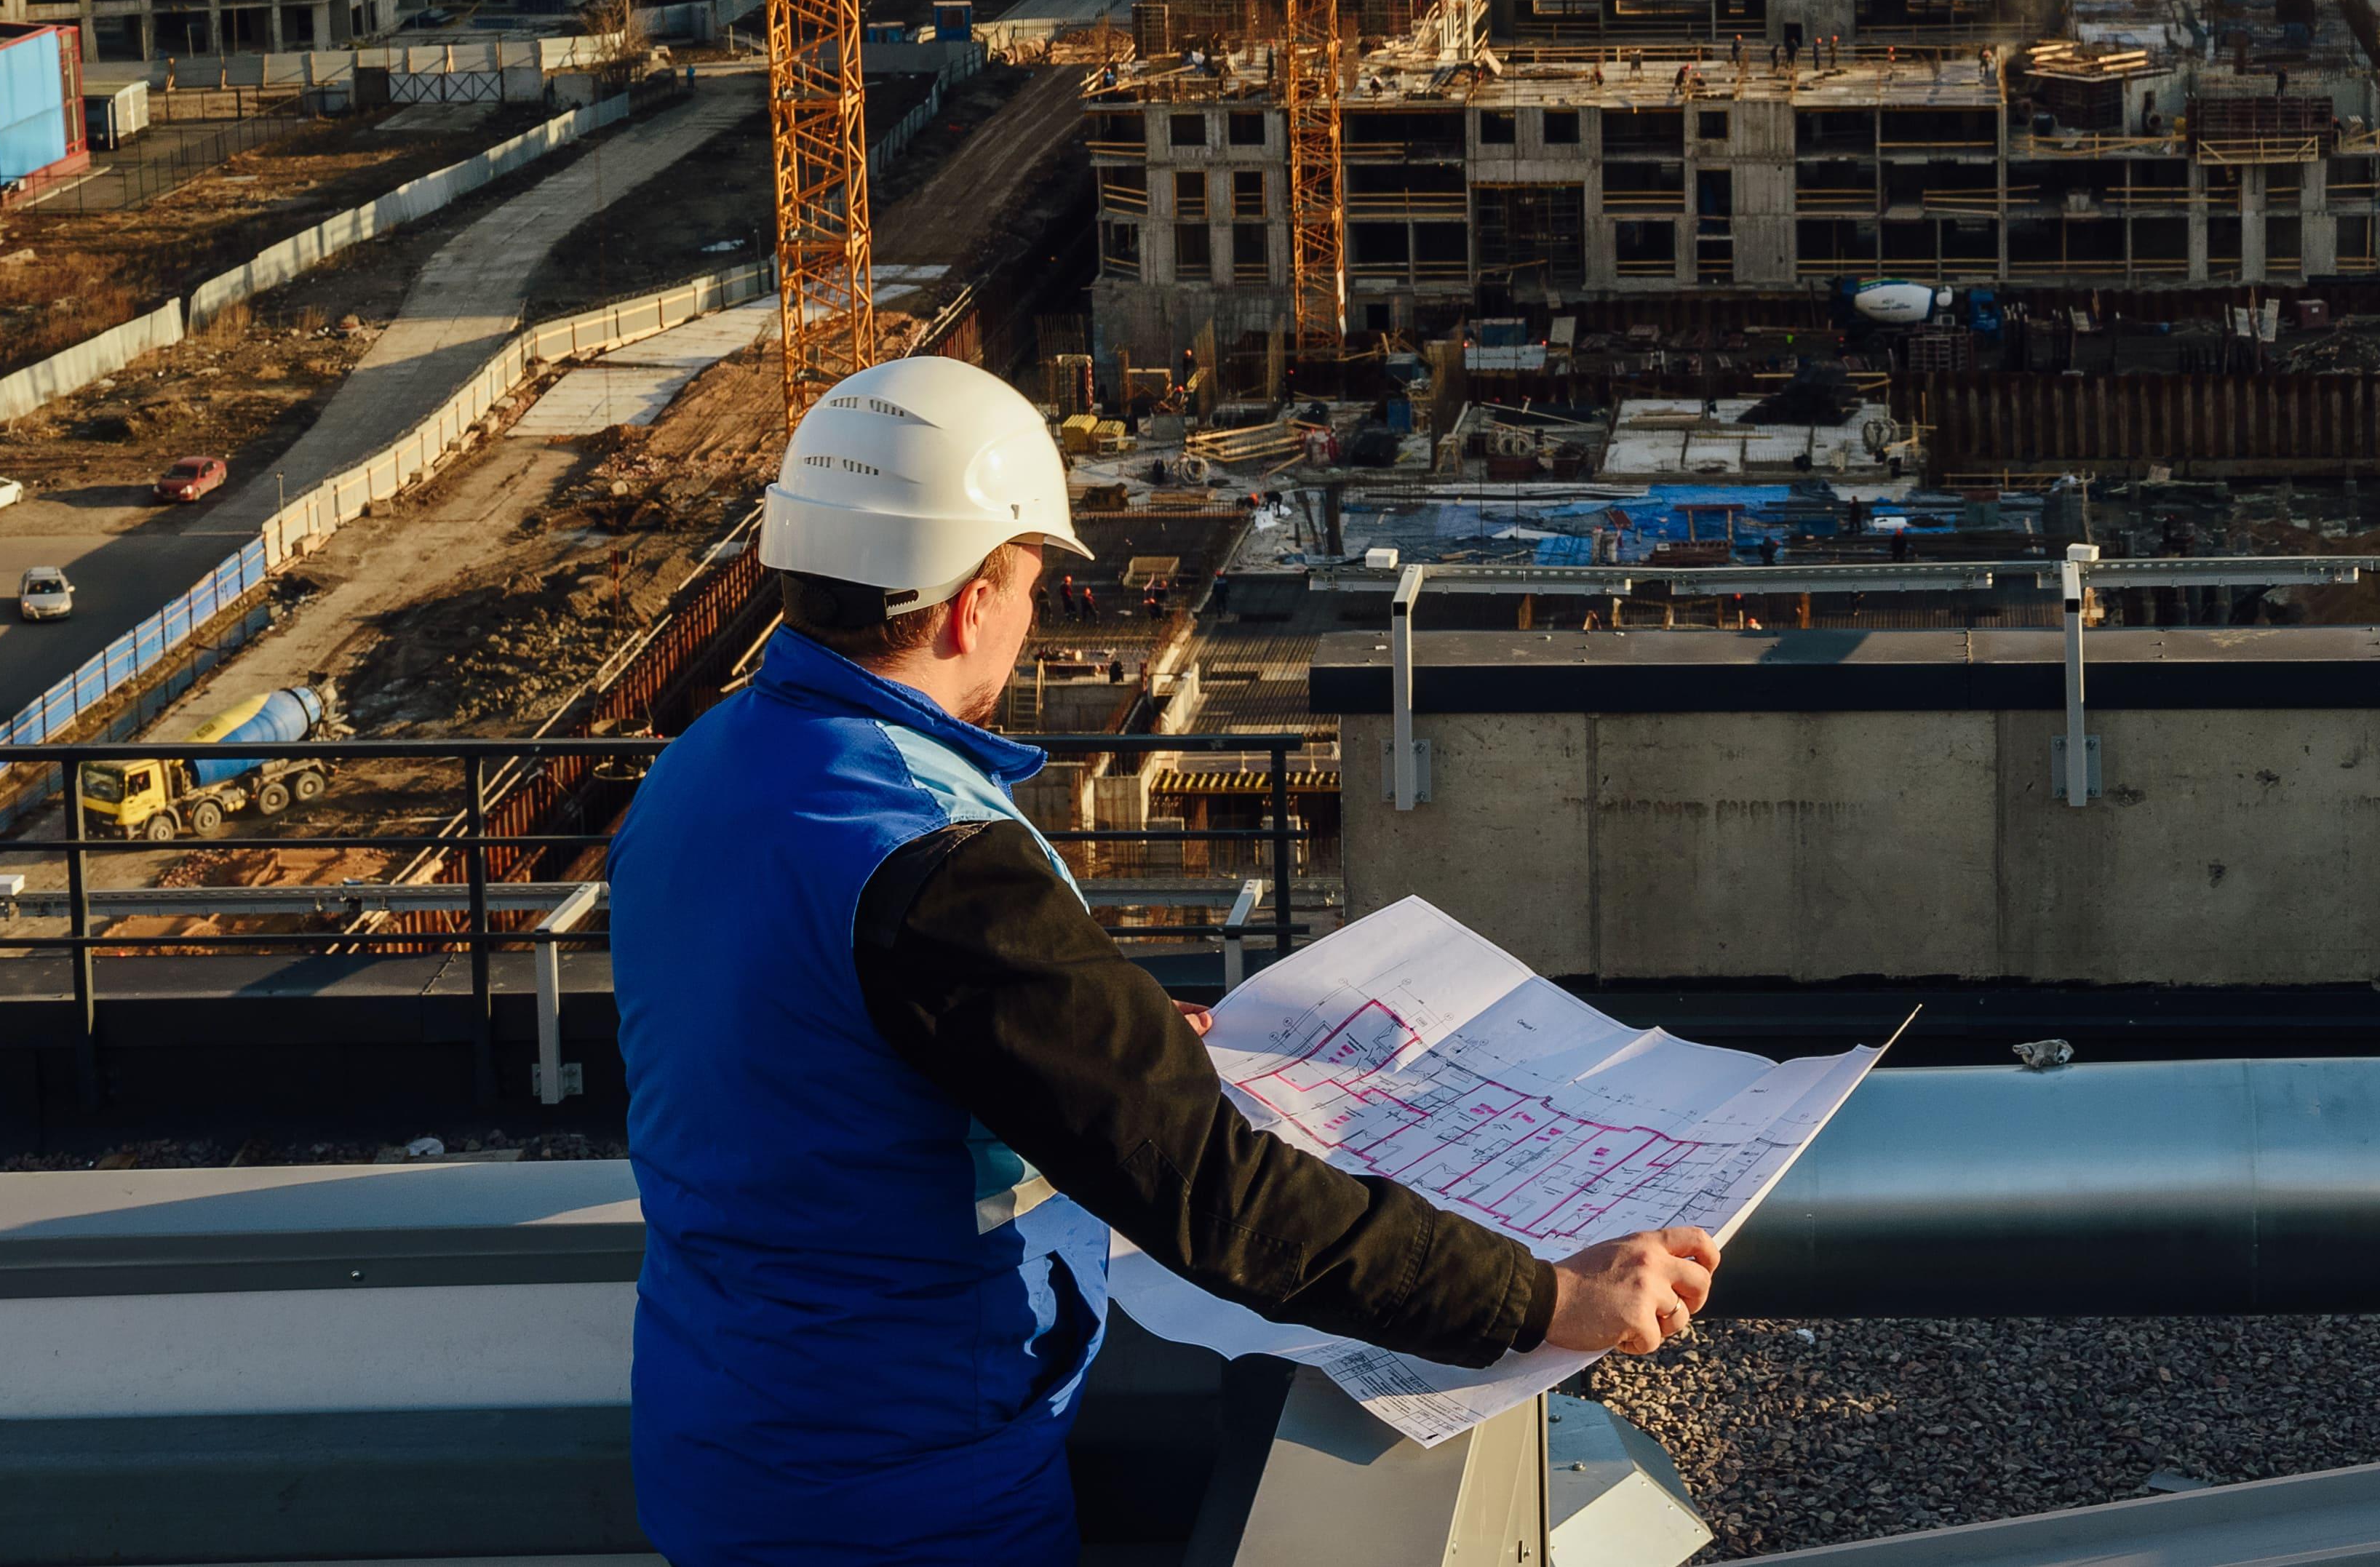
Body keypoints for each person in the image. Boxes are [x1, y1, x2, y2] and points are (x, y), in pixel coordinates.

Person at [613, 355, 1714, 1567]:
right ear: (975, 601)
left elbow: (817, 1024)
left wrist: (1090, 1031)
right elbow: (1214, 1193)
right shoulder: (931, 855)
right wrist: (1546, 1299)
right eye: (1031, 580)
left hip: (726, 1424)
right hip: (907, 1485)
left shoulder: (713, 761)